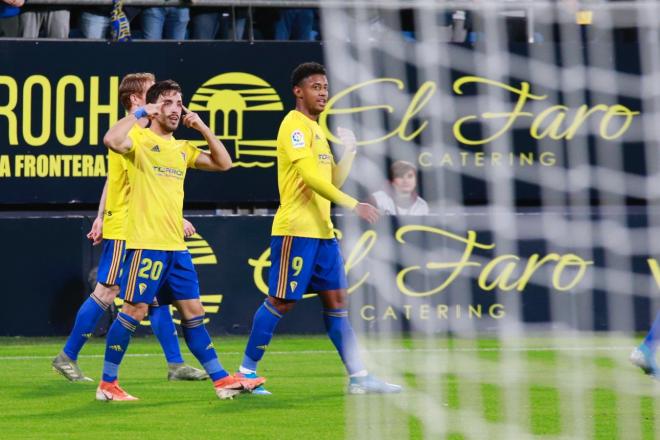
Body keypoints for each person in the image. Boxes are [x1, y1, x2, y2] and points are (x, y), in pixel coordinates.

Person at [236, 62, 401, 395]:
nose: (323, 92)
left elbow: (329, 179)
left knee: (338, 301)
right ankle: (245, 374)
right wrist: (355, 204)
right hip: (296, 230)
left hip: (323, 233)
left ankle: (359, 377)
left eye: (325, 86)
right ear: (298, 91)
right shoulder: (293, 127)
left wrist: (350, 152)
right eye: (315, 86)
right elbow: (310, 178)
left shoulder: (316, 132)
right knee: (281, 301)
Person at [98, 79, 265, 400]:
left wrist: (202, 127)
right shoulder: (140, 140)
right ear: (157, 107)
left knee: (193, 311)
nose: (177, 109)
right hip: (146, 244)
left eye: (180, 103)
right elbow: (111, 139)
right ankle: (108, 384)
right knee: (133, 311)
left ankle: (220, 380)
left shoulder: (182, 149)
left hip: (176, 247)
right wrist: (141, 113)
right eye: (170, 103)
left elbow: (224, 163)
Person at [52, 73, 207, 383]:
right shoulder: (133, 132)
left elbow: (115, 179)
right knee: (108, 291)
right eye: (152, 94)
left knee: (155, 296)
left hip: (143, 225)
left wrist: (98, 215)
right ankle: (68, 356)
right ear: (136, 100)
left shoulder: (143, 131)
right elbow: (139, 186)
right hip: (129, 225)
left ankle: (175, 364)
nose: (160, 103)